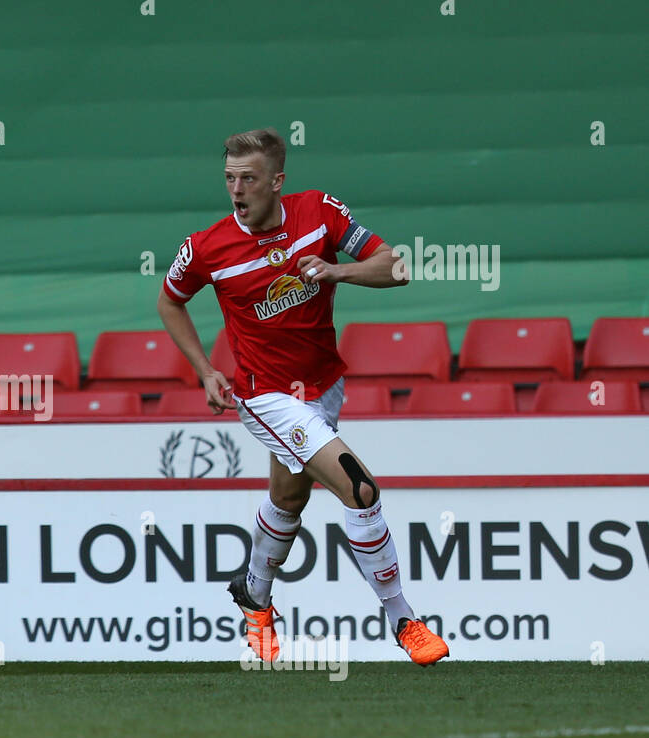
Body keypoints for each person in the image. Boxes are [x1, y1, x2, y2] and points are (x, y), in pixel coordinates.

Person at [157, 127, 449, 666]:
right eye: (229, 178)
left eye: (248, 178)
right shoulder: (207, 247)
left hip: (324, 384)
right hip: (265, 395)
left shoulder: (318, 211)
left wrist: (338, 268)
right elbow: (169, 301)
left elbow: (397, 266)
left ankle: (254, 597)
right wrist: (204, 370)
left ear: (277, 181)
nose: (236, 189)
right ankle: (404, 620)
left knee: (289, 499)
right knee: (360, 490)